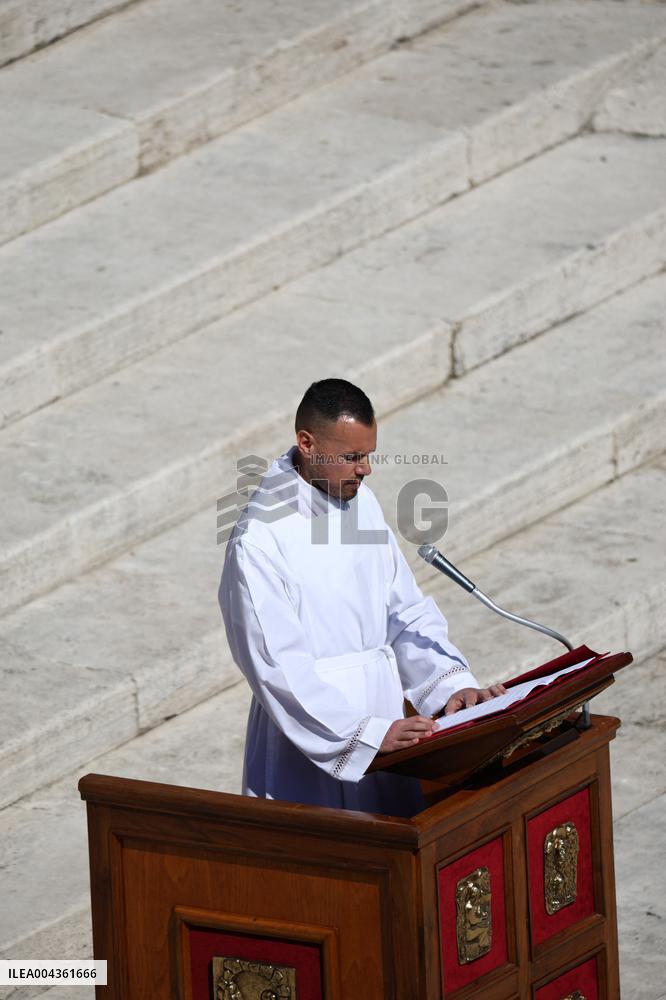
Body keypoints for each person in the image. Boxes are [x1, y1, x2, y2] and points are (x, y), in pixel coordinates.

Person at [219, 379, 505, 816]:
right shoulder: (258, 539)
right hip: (313, 739)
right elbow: (276, 666)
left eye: (369, 455)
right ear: (307, 443)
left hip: (389, 725)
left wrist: (450, 685)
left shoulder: (361, 503)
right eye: (353, 457)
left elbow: (404, 610)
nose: (366, 469)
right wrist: (361, 733)